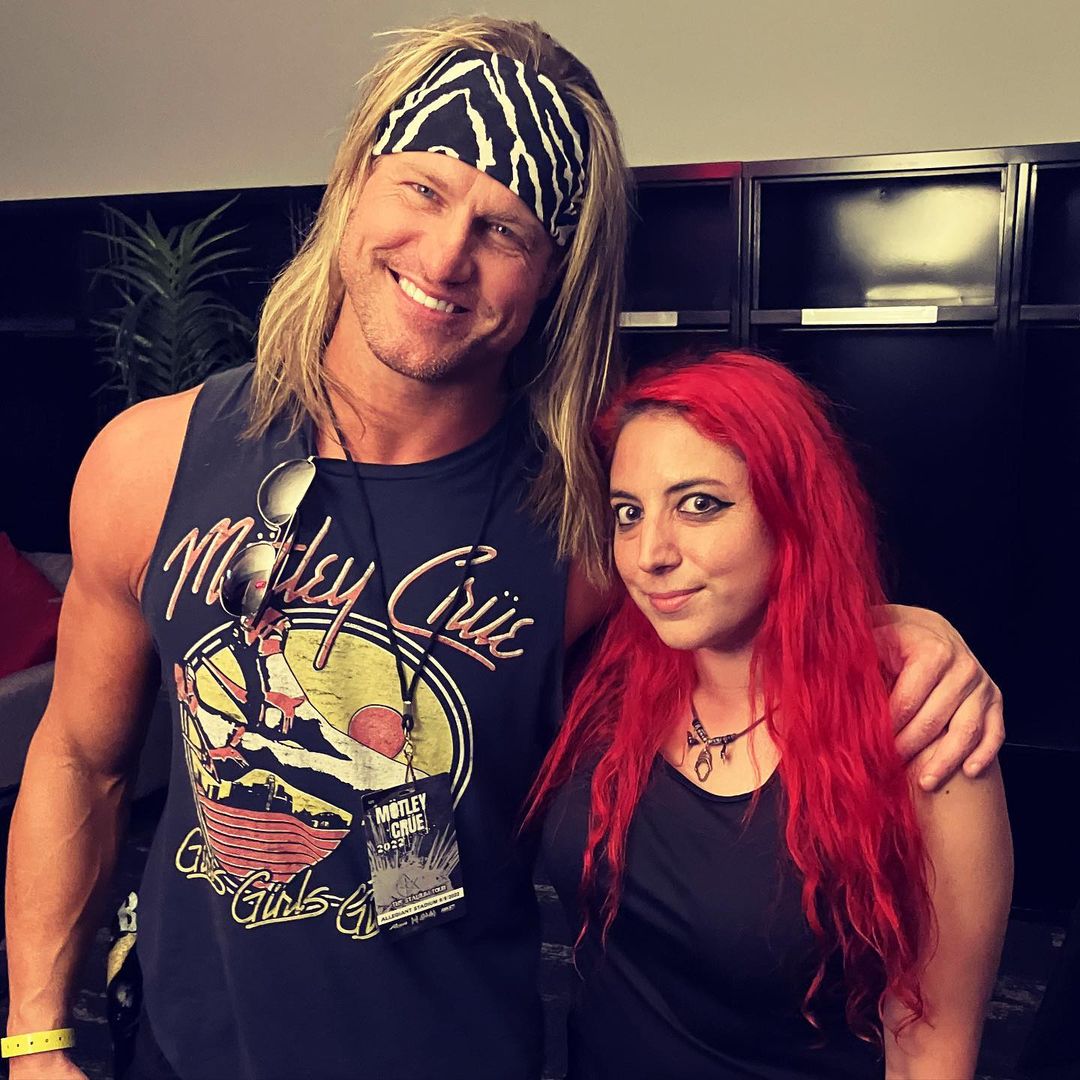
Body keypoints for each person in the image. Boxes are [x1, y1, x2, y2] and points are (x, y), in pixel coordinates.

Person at [4, 17, 1004, 1080]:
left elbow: (750, 585)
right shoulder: (149, 462)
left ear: (551, 275)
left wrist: (895, 632)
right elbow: (78, 759)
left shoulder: (593, 515)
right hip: (186, 1054)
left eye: (505, 230)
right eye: (421, 189)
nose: (446, 257)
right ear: (354, 188)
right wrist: (34, 1035)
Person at [533, 351, 1013, 1079]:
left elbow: (931, 1049)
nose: (650, 553)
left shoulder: (923, 729)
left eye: (699, 504)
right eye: (628, 513)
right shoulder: (604, 680)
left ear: (794, 512)